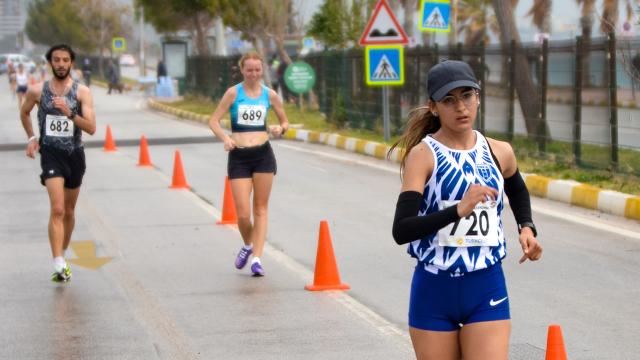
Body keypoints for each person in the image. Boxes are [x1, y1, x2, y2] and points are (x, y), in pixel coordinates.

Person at [389, 60, 542, 360]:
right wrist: (458, 210)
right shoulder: (423, 156)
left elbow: (517, 188)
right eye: (449, 100)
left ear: (478, 98)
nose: (461, 107)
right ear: (433, 107)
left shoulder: (500, 151)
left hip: (485, 286)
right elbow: (402, 229)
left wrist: (526, 227)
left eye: (467, 95)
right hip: (434, 289)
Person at [19, 44, 96, 282]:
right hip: (51, 154)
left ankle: (61, 253)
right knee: (58, 209)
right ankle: (59, 264)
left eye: (65, 60)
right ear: (50, 63)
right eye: (56, 60)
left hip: (74, 154)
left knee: (70, 212)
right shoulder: (37, 91)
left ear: (71, 62)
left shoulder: (82, 92)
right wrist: (32, 137)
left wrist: (69, 113)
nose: (61, 64)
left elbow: (91, 128)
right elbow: (24, 112)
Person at [208, 51, 289, 277]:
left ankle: (257, 259)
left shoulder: (270, 95)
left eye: (257, 69)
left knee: (261, 209)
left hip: (263, 155)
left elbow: (285, 121)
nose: (253, 74)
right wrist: (226, 138)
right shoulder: (233, 94)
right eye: (249, 70)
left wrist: (279, 129)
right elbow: (213, 121)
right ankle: (248, 245)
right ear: (242, 70)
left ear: (262, 70)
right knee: (243, 214)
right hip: (239, 156)